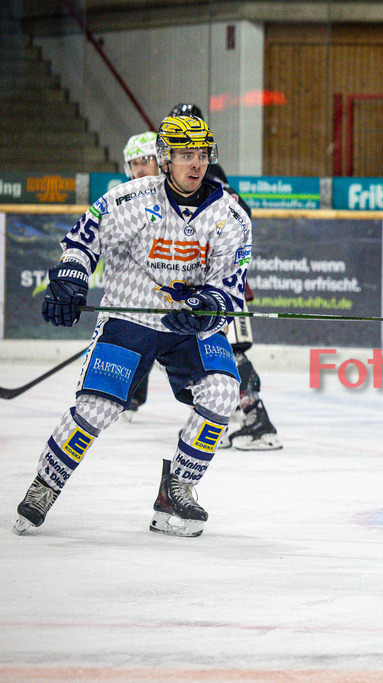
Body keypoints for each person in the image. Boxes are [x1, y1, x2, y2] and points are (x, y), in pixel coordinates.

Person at [13, 115, 251, 537]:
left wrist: (206, 307)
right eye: (184, 155)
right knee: (97, 408)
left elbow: (229, 287)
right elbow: (84, 238)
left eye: (201, 155)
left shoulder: (230, 216)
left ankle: (177, 489)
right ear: (164, 158)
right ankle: (44, 485)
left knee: (223, 391)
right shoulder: (131, 199)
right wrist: (71, 277)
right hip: (130, 315)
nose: (195, 165)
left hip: (187, 325)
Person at [166, 102, 280, 450]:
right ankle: (224, 416)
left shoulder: (210, 174)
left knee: (231, 350)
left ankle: (259, 423)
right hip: (204, 289)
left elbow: (239, 222)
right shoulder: (182, 174)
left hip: (223, 287)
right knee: (207, 351)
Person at [118, 131, 162, 421]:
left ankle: (231, 404)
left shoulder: (181, 192)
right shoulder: (124, 201)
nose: (140, 168)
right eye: (134, 163)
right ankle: (131, 395)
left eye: (146, 160)